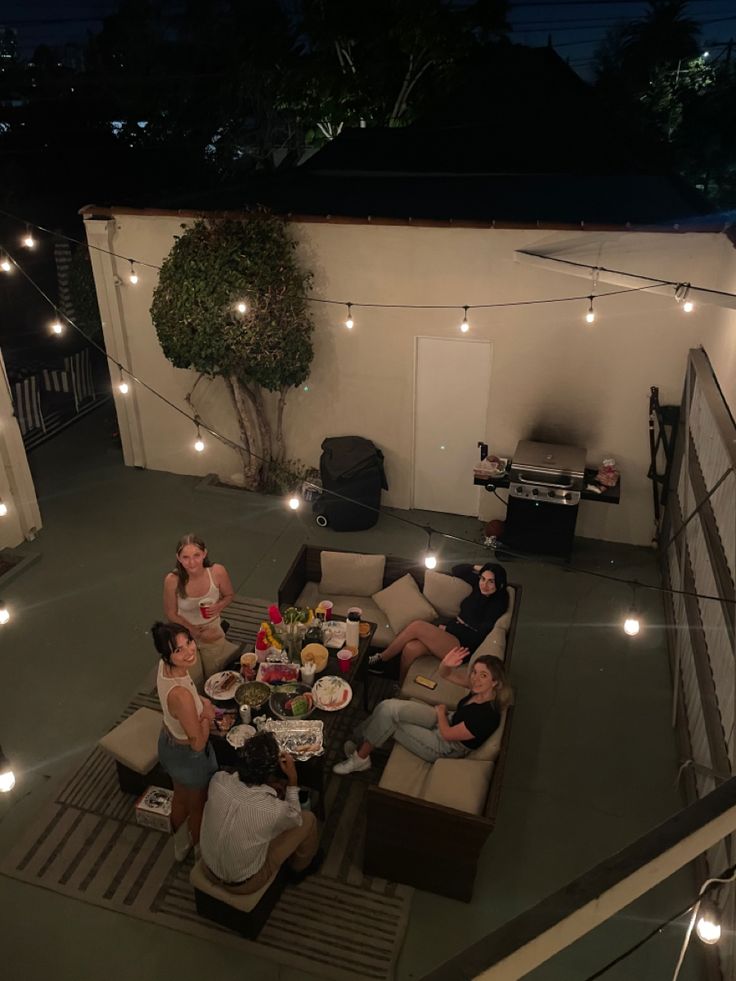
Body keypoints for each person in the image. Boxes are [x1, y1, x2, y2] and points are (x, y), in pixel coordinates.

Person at [334, 648, 510, 774]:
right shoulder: (478, 688)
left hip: (444, 747)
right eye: (475, 672)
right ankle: (360, 740)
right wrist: (446, 663)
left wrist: (441, 713)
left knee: (390, 720)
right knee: (388, 706)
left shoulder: (487, 716)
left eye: (483, 675)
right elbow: (446, 674)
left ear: (495, 682)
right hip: (447, 720)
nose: (476, 679)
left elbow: (447, 735)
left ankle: (360, 758)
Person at [199, 732, 322, 892]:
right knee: (308, 820)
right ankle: (299, 870)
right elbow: (295, 817)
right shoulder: (273, 810)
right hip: (243, 882)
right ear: (270, 774)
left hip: (207, 866)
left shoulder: (218, 781)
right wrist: (292, 780)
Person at [368, 562, 509, 682]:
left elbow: (479, 634)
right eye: (483, 579)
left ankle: (382, 659)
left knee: (417, 626)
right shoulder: (479, 586)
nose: (484, 585)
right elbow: (457, 570)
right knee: (411, 648)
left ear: (500, 584)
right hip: (454, 633)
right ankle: (400, 686)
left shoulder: (498, 602)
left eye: (491, 581)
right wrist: (480, 568)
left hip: (464, 645)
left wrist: (449, 629)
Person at [152, 621, 217, 860]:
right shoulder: (179, 696)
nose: (189, 651)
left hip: (168, 741)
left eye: (188, 642)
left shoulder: (166, 667)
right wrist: (207, 715)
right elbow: (198, 743)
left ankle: (179, 845)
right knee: (197, 804)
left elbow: (187, 691)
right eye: (179, 650)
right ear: (168, 654)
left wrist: (201, 701)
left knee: (179, 795)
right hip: (187, 755)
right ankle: (201, 852)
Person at [163, 533, 238, 686]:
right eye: (185, 557)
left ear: (205, 553)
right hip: (184, 632)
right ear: (178, 558)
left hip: (211, 628)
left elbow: (229, 595)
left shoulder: (217, 572)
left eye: (196, 555)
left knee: (215, 675)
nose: (192, 562)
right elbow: (171, 613)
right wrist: (192, 630)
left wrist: (218, 606)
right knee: (192, 678)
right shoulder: (172, 580)